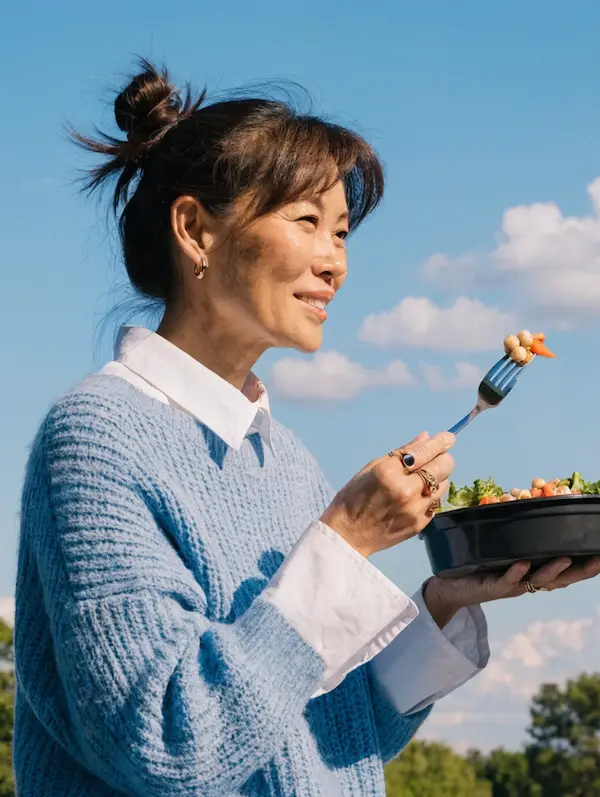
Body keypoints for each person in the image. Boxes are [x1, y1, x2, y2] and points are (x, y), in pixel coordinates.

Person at [13, 59, 600, 797]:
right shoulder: (96, 439)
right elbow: (167, 745)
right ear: (195, 229)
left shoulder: (285, 460)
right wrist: (345, 540)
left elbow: (330, 734)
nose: (336, 263)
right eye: (307, 222)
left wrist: (448, 597)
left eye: (344, 232)